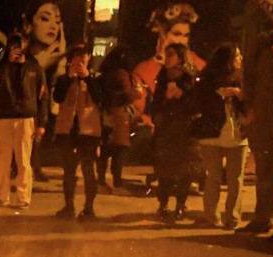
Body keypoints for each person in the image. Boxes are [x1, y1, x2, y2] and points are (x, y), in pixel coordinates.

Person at [191, 43, 247, 230]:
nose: (240, 59)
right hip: (212, 134)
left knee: (236, 179)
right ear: (227, 60)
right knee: (212, 177)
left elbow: (252, 101)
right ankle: (211, 217)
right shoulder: (207, 80)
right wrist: (220, 95)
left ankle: (232, 218)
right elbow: (198, 102)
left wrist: (240, 95)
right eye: (237, 56)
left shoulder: (243, 80)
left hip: (237, 134)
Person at [0, 32, 48, 209]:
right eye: (13, 45)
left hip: (25, 118)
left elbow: (43, 97)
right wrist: (6, 63)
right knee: (2, 160)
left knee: (23, 161)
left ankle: (23, 198)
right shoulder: (1, 67)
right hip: (3, 118)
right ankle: (2, 197)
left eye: (20, 45)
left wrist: (42, 123)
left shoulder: (35, 69)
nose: (17, 49)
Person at [242, 0, 273, 237]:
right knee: (265, 170)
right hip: (264, 118)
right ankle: (262, 216)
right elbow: (248, 78)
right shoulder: (261, 44)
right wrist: (249, 108)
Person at [132, 3, 206, 129]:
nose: (182, 41)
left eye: (186, 35)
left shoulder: (200, 66)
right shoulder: (144, 71)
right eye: (176, 34)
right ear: (162, 34)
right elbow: (138, 111)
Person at [53, 44, 103, 220]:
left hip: (89, 131)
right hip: (67, 130)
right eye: (77, 56)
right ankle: (69, 205)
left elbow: (101, 98)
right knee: (68, 170)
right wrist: (68, 77)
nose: (81, 59)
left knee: (88, 170)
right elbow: (58, 97)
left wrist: (88, 78)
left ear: (89, 58)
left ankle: (89, 207)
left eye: (84, 56)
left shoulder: (96, 78)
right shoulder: (63, 79)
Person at [152, 43, 200, 223]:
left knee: (185, 170)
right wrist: (164, 100)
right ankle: (163, 204)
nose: (167, 58)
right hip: (166, 129)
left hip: (186, 130)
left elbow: (197, 103)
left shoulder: (192, 77)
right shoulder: (162, 76)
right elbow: (155, 102)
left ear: (180, 57)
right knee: (164, 168)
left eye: (171, 54)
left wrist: (182, 95)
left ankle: (180, 204)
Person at [23, 1, 66, 183]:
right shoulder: (20, 54)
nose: (53, 26)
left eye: (57, 21)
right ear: (28, 24)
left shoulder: (57, 57)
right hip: (24, 106)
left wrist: (62, 58)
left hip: (41, 105)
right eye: (45, 18)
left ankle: (35, 167)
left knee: (38, 137)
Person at [96, 45, 140, 194]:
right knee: (119, 150)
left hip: (107, 114)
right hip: (119, 115)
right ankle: (117, 182)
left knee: (106, 149)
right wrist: (137, 93)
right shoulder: (122, 74)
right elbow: (127, 95)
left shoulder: (107, 72)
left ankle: (101, 180)